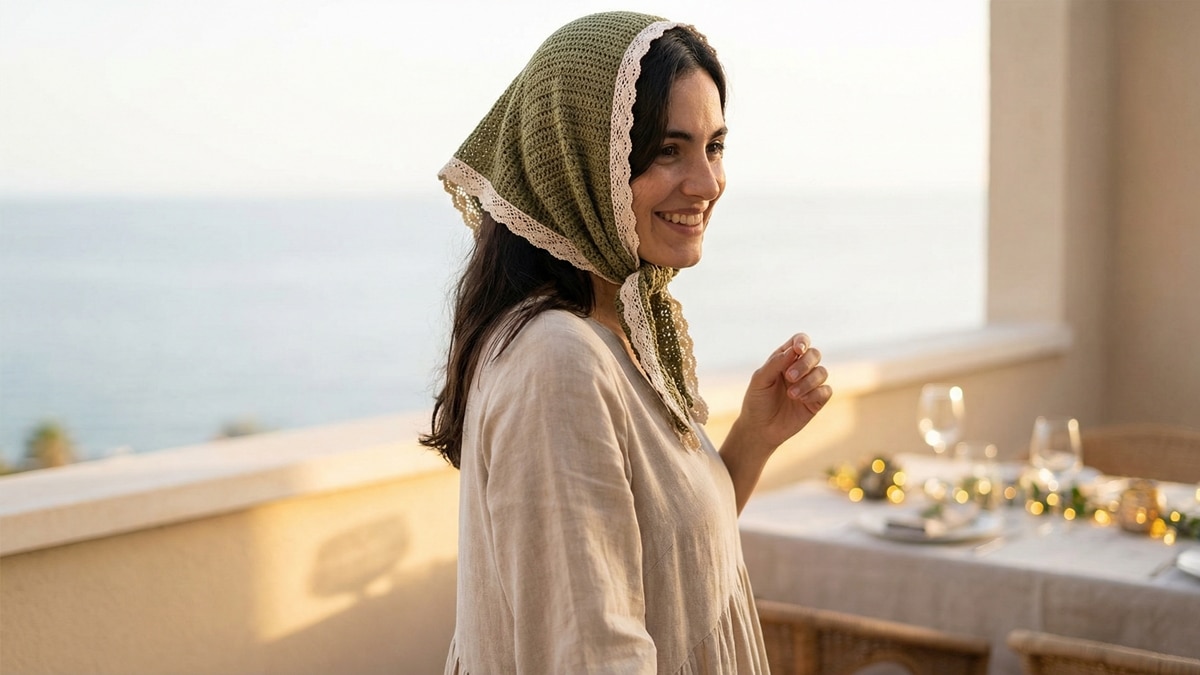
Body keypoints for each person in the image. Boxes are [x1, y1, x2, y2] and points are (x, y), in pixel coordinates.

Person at [422, 11, 832, 674]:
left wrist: (753, 438)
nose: (706, 183)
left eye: (715, 145)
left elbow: (665, 564)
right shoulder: (557, 361)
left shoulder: (616, 330)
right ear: (582, 160)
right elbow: (592, 652)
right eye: (669, 150)